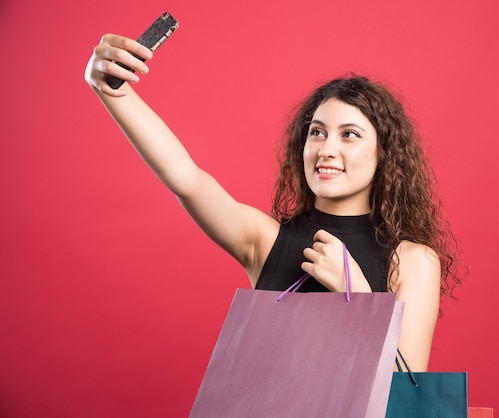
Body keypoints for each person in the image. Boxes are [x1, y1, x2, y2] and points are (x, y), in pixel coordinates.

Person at [84, 34, 461, 372]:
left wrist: (357, 293)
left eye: (350, 135)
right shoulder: (264, 240)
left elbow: (405, 391)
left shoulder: (411, 260)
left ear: (385, 155)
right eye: (317, 133)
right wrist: (114, 92)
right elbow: (187, 179)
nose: (326, 150)